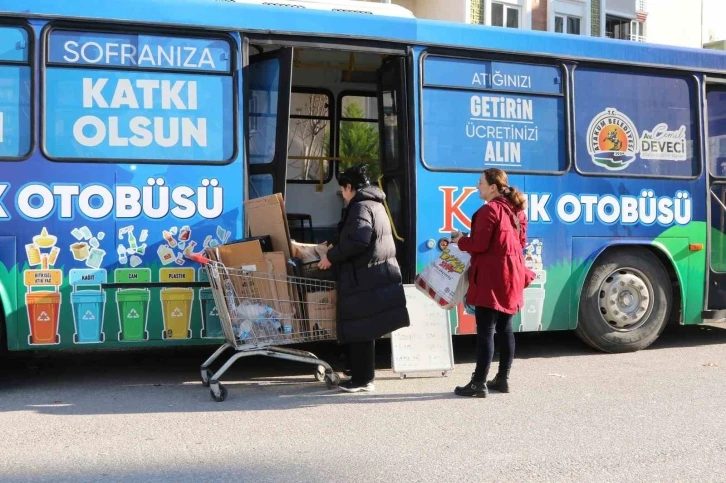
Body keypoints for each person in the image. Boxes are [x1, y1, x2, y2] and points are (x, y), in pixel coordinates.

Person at [318, 164, 410, 393]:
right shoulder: (375, 204)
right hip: (371, 273)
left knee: (361, 327)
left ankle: (363, 379)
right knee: (364, 327)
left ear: (350, 187)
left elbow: (359, 240)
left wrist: (331, 256)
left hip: (364, 275)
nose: (342, 193)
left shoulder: (359, 206)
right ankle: (358, 372)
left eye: (343, 189)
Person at [451, 168, 528, 398]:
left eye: (481, 182)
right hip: (512, 275)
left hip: (492, 276)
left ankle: (478, 383)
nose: (477, 186)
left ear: (493, 187)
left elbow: (480, 245)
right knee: (505, 329)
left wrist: (460, 240)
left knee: (486, 330)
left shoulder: (489, 210)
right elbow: (521, 241)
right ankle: (502, 379)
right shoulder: (517, 211)